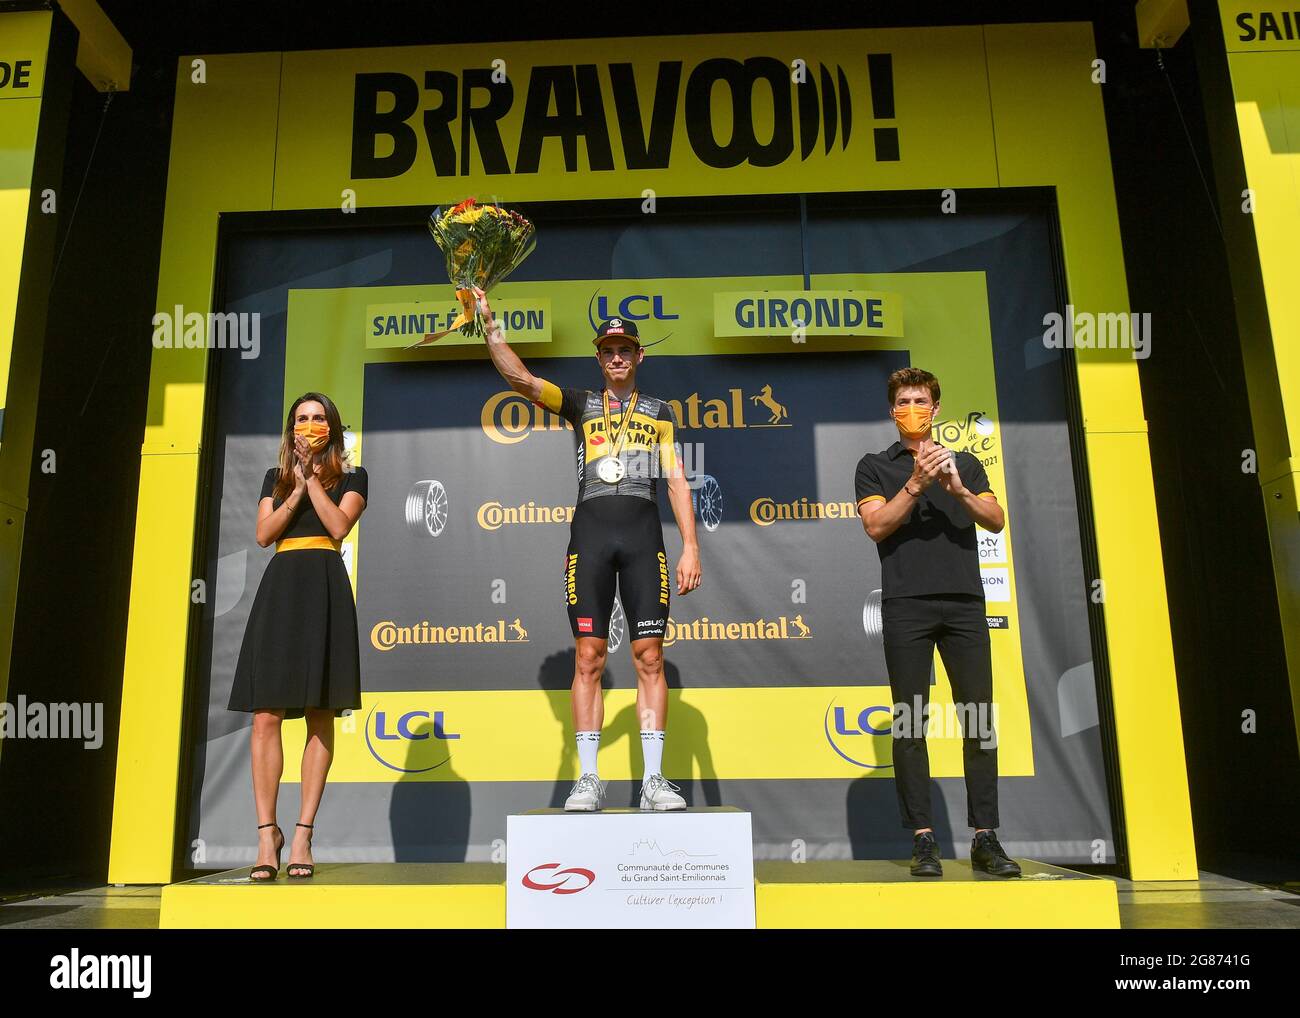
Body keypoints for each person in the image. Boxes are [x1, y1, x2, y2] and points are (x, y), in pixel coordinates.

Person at [475, 288, 702, 811]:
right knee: (588, 656)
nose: (617, 357)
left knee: (650, 656)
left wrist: (690, 546)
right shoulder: (580, 403)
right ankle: (589, 779)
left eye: (625, 350)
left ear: (639, 356)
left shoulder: (661, 411)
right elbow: (521, 381)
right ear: (598, 358)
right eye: (608, 351)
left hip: (645, 537)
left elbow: (676, 480)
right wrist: (491, 327)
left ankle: (652, 782)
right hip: (591, 537)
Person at [855, 367, 1021, 878]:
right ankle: (923, 839)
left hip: (966, 603)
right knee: (909, 721)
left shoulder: (966, 463)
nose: (912, 409)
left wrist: (953, 486)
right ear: (892, 411)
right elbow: (876, 525)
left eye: (921, 401)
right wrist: (915, 483)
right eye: (904, 401)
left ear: (936, 409)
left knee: (978, 718)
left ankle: (985, 837)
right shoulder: (874, 466)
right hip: (907, 604)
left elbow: (994, 518)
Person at [227, 392, 368, 879]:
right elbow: (265, 535)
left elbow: (337, 525)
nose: (310, 426)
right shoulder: (274, 477)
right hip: (282, 585)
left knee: (319, 710)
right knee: (265, 714)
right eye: (302, 419)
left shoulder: (353, 478)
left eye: (319, 419)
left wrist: (312, 479)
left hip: (325, 587)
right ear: (291, 429)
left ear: (333, 427)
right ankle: (268, 835)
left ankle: (303, 833)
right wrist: (294, 486)